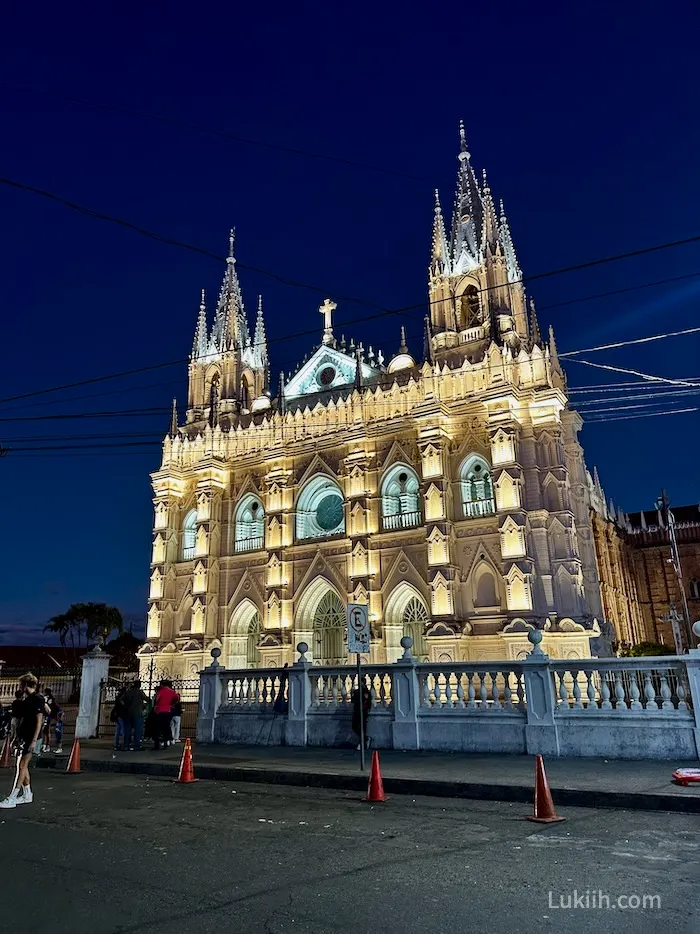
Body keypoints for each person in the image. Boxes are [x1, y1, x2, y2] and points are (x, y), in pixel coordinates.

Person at [0, 673, 47, 808]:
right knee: (21, 765)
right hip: (25, 736)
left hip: (31, 737)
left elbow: (39, 720)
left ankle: (13, 797)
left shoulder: (37, 699)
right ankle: (27, 794)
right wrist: (16, 737)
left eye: (21, 684)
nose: (20, 687)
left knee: (22, 765)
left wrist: (34, 740)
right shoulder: (29, 699)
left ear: (26, 685)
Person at [122, 680, 148, 751]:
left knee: (127, 730)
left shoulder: (128, 692)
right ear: (139, 685)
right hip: (137, 713)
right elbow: (147, 699)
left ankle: (126, 745)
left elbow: (121, 700)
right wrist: (144, 705)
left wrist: (126, 706)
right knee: (138, 730)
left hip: (128, 713)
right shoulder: (139, 692)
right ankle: (137, 745)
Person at [153, 680, 178, 749]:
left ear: (162, 685)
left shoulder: (161, 691)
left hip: (160, 711)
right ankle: (166, 742)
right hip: (168, 710)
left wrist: (155, 707)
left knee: (157, 728)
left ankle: (157, 744)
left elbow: (157, 699)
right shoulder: (172, 691)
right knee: (166, 726)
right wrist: (172, 704)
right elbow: (176, 698)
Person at [351, 679, 372, 751]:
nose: (360, 684)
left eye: (361, 682)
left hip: (363, 711)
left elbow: (368, 702)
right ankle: (365, 739)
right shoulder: (356, 691)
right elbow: (353, 700)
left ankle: (362, 743)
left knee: (362, 728)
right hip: (357, 711)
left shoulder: (366, 692)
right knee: (354, 726)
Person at [43, 688, 64, 755]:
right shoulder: (51, 699)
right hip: (51, 716)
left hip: (54, 716)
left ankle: (56, 747)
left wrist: (59, 717)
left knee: (57, 732)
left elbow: (54, 709)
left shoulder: (49, 700)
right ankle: (47, 746)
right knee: (47, 731)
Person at [111, 686, 128, 751]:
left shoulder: (118, 697)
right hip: (122, 715)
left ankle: (116, 743)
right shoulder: (123, 697)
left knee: (118, 730)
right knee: (123, 729)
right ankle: (124, 743)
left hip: (118, 715)